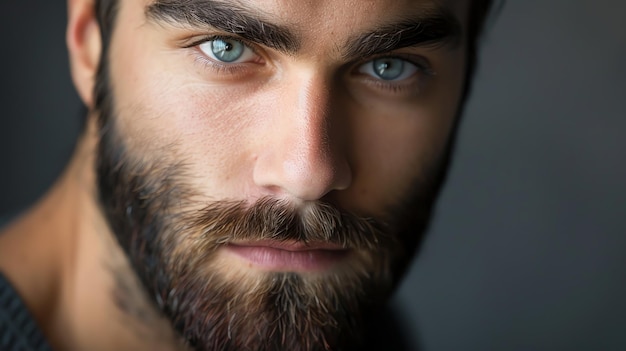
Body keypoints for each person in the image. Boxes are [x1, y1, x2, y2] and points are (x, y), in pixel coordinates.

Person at [0, 0, 493, 350]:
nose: (308, 174)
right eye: (225, 48)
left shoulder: (359, 329)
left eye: (390, 67)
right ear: (90, 41)